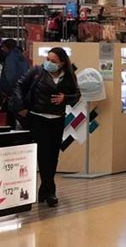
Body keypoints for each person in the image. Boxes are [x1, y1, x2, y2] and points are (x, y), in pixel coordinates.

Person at [10, 47, 80, 207]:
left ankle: (45, 189)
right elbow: (19, 86)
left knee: (53, 154)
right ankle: (50, 190)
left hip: (57, 119)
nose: (49, 63)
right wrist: (21, 107)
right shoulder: (37, 72)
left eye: (53, 61)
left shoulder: (68, 76)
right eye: (48, 59)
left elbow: (76, 94)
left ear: (62, 63)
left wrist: (65, 98)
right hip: (38, 118)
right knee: (43, 154)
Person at [0, 39, 29, 126]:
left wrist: (6, 93)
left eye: (3, 48)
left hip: (12, 94)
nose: (2, 50)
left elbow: (10, 77)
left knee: (10, 119)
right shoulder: (21, 57)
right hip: (22, 92)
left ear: (6, 47)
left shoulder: (10, 59)